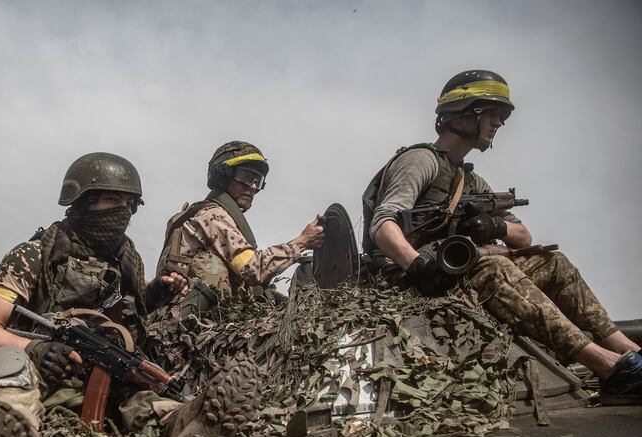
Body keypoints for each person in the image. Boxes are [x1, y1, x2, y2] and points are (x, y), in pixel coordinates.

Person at [0, 152, 260, 437]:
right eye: (111, 200)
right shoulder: (36, 253)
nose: (122, 212)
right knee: (8, 362)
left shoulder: (126, 260)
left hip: (100, 373)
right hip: (41, 370)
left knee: (140, 390)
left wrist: (154, 294)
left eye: (130, 204)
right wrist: (33, 350)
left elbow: (128, 314)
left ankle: (185, 425)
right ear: (83, 200)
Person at [362, 70, 642, 404]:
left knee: (554, 264)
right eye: (493, 114)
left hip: (460, 273)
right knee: (496, 270)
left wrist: (496, 227)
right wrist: (420, 266)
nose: (499, 124)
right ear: (468, 114)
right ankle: (610, 369)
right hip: (413, 278)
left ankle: (628, 351)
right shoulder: (420, 161)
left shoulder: (471, 181)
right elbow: (383, 224)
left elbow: (524, 238)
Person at [152, 140, 325, 320]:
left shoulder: (209, 214)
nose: (252, 187)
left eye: (258, 181)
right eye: (246, 177)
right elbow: (253, 269)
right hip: (190, 323)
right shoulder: (212, 215)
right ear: (223, 176)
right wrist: (302, 242)